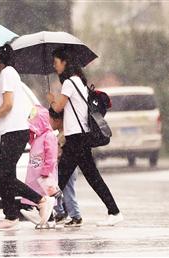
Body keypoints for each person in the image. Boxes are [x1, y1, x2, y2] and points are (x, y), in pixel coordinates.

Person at [0, 44, 55, 231]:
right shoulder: (3, 76)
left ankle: (40, 200)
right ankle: (11, 216)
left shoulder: (8, 73)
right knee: (6, 175)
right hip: (10, 131)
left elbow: (8, 105)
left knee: (3, 175)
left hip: (15, 131)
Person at [47, 48, 123, 226]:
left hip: (76, 139)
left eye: (56, 62)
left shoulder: (69, 83)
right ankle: (114, 211)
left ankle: (48, 215)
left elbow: (57, 108)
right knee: (82, 177)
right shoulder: (78, 81)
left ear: (65, 62)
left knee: (62, 178)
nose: (54, 65)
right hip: (78, 138)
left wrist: (51, 99)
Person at [19, 105, 61, 229]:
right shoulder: (37, 138)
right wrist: (31, 134)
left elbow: (51, 155)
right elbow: (31, 142)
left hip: (44, 175)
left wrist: (47, 170)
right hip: (34, 174)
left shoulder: (49, 136)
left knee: (46, 198)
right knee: (38, 197)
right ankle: (43, 218)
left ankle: (50, 219)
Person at [48, 107, 83, 227]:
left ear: (58, 120)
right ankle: (62, 213)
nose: (49, 122)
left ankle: (75, 216)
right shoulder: (63, 133)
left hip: (66, 168)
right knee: (60, 190)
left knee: (63, 191)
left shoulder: (63, 136)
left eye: (50, 120)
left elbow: (58, 153)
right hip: (65, 167)